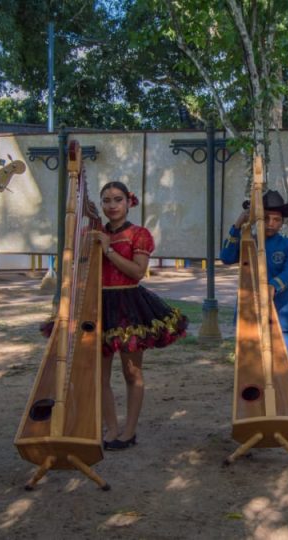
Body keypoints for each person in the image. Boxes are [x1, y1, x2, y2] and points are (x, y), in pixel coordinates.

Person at [92, 181, 188, 451]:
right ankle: (111, 428)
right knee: (99, 376)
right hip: (98, 305)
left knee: (132, 371)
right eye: (106, 200)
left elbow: (137, 271)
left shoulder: (139, 234)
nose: (112, 205)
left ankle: (129, 431)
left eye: (117, 199)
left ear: (128, 202)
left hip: (129, 305)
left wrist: (108, 249)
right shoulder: (93, 233)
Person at [218, 190, 288, 353]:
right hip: (250, 308)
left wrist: (272, 287)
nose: (271, 223)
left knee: (282, 359)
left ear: (282, 223)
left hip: (279, 306)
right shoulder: (248, 242)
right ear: (258, 220)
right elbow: (226, 258)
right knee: (249, 358)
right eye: (267, 218)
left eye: (276, 220)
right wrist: (237, 226)